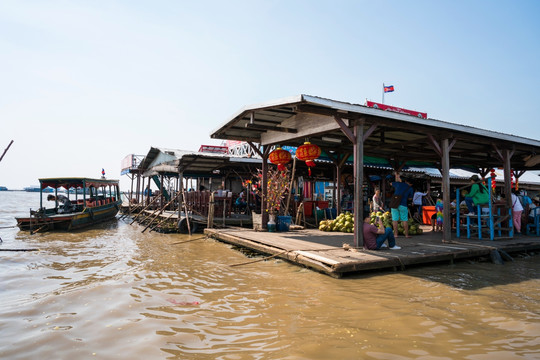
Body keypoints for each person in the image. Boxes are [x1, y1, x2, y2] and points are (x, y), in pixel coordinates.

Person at [390, 173, 414, 238]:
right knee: (404, 219)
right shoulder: (410, 188)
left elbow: (391, 183)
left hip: (395, 204)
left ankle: (395, 235)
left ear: (405, 181)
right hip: (403, 205)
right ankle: (406, 235)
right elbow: (410, 198)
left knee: (395, 220)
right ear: (411, 183)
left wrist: (397, 178)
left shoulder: (399, 184)